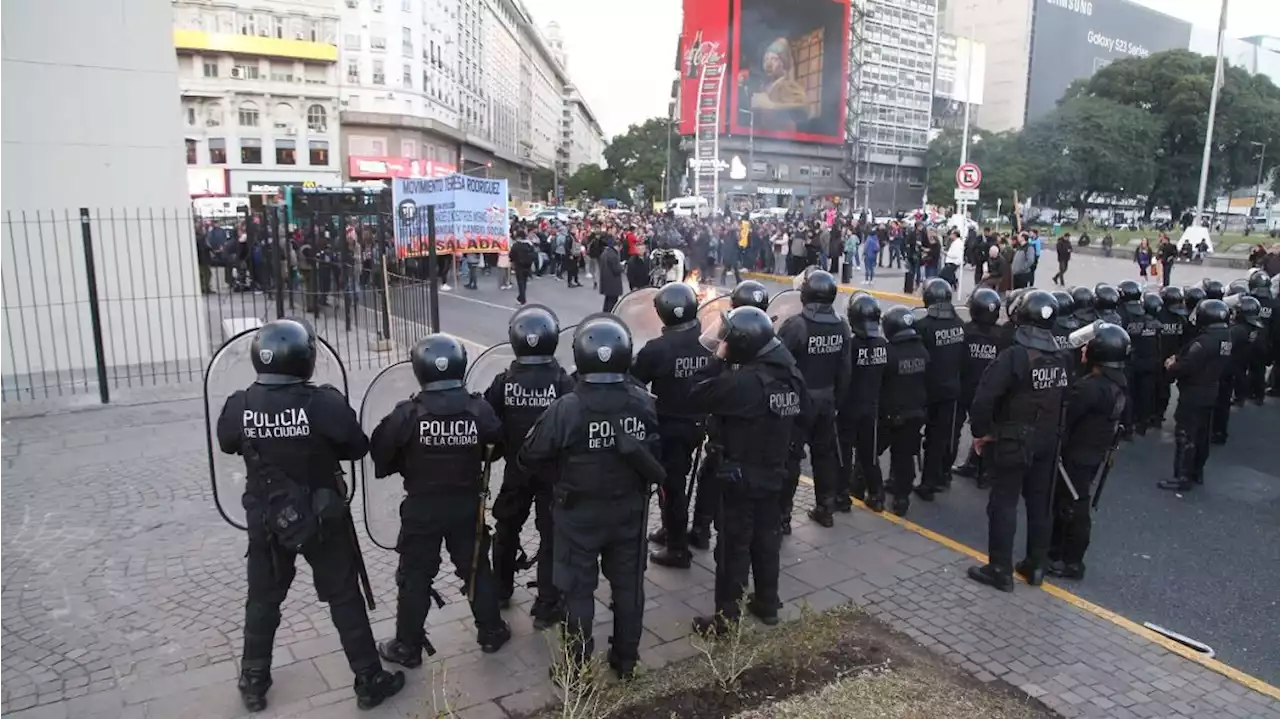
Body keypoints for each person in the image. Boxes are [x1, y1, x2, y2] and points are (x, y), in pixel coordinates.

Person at [215, 319, 404, 712]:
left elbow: (227, 441)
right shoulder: (322, 402)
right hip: (322, 518)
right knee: (343, 596)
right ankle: (369, 678)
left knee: (263, 598)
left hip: (267, 517)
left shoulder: (240, 403)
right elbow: (356, 447)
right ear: (306, 359)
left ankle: (253, 680)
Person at [517, 314, 661, 679]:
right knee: (629, 586)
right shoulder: (642, 402)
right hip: (629, 510)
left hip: (578, 514)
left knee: (577, 592)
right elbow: (656, 451)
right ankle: (626, 659)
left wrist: (558, 477)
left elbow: (529, 455)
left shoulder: (567, 408)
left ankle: (576, 669)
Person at [370, 335, 511, 668]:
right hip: (465, 504)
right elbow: (498, 447)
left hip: (422, 506)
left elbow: (381, 454)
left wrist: (409, 461)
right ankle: (490, 632)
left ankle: (407, 647)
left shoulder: (408, 413)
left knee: (415, 575)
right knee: (476, 568)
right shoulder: (479, 409)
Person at [690, 306, 808, 633]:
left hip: (740, 476)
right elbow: (805, 417)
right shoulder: (790, 374)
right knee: (767, 540)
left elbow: (697, 393)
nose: (723, 343)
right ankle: (767, 603)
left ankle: (727, 619)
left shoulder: (744, 384)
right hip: (775, 473)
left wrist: (719, 360)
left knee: (733, 548)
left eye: (728, 339)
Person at [966, 290, 1070, 592]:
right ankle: (1036, 566)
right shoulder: (1062, 357)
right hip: (1049, 440)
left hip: (1013, 440)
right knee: (1040, 504)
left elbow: (984, 398)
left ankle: (1000, 569)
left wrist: (982, 431)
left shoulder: (1014, 356)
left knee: (1004, 503)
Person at [482, 306, 576, 629]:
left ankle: (500, 589)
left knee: (507, 528)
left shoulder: (503, 382)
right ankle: (547, 604)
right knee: (551, 534)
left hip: (516, 469)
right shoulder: (563, 381)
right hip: (553, 473)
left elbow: (488, 425)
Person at [687, 279, 774, 549]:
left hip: (728, 428)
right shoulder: (770, 343)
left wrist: (717, 358)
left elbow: (701, 389)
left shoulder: (733, 341)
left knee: (712, 475)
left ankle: (703, 529)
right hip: (759, 435)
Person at [635, 283, 713, 569]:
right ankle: (673, 529)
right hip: (701, 422)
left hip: (669, 428)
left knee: (672, 488)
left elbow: (633, 381)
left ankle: (677, 548)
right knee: (680, 484)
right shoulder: (709, 341)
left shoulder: (657, 349)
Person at [1049, 322, 1129, 581]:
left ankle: (1072, 562)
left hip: (1077, 454)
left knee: (1074, 506)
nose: (1083, 349)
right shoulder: (1117, 381)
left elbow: (1066, 418)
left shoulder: (1091, 387)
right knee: (1071, 503)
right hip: (1094, 451)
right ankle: (1058, 551)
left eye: (1088, 345)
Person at [777, 270, 850, 529]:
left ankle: (783, 516)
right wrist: (836, 402)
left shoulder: (796, 325)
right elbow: (844, 370)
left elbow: (779, 365)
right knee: (824, 456)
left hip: (798, 403)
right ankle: (825, 508)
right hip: (827, 401)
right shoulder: (842, 325)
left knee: (790, 458)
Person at [1158, 299, 1232, 492]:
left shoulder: (1204, 342)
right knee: (1202, 434)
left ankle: (1182, 476)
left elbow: (1186, 366)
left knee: (1186, 434)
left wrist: (1171, 365)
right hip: (1211, 389)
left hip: (1194, 393)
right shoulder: (1226, 336)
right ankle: (1197, 472)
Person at [914, 279, 966, 499]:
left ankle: (901, 481)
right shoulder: (960, 325)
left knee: (910, 437)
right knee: (939, 439)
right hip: (950, 390)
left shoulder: (923, 326)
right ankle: (932, 481)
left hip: (925, 392)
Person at [951, 288, 1008, 489]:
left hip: (965, 388)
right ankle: (981, 470)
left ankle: (946, 469)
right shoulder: (1003, 335)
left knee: (955, 429)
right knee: (985, 431)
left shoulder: (965, 331)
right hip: (989, 391)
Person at [877, 306, 930, 517]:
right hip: (915, 414)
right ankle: (901, 498)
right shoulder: (922, 351)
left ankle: (866, 488)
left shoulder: (889, 353)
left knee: (870, 452)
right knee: (905, 457)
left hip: (890, 415)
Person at [837, 293, 888, 511]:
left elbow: (842, 376)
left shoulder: (850, 345)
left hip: (849, 407)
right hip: (871, 407)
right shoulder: (883, 345)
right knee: (869, 455)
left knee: (844, 454)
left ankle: (842, 496)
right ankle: (877, 495)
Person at [1211, 294, 1260, 444]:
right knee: (1223, 402)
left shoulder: (1237, 330)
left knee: (1219, 402)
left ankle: (1217, 432)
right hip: (1237, 367)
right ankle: (1219, 431)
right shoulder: (1253, 328)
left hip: (1226, 368)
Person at [1153, 285, 1189, 427]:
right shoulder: (1180, 318)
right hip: (1168, 358)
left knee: (1159, 388)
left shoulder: (1165, 316)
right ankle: (1158, 415)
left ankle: (1156, 415)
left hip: (1164, 358)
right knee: (1162, 388)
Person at [1130, 293, 1165, 434]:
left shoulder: (1137, 325)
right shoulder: (1159, 326)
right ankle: (1144, 422)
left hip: (1137, 363)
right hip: (1153, 364)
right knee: (1147, 394)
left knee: (1134, 393)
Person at [1245, 271, 1275, 404]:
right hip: (1265, 342)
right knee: (1259, 369)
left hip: (1247, 340)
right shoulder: (1274, 304)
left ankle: (1245, 393)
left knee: (1243, 368)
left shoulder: (1247, 300)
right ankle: (1258, 394)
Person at [509, 230, 537, 305]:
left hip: (519, 265)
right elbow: (534, 254)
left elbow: (511, 255)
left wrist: (512, 261)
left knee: (520, 282)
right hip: (528, 265)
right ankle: (520, 297)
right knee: (524, 281)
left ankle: (522, 299)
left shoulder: (516, 245)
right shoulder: (529, 244)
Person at [598, 236, 625, 312]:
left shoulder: (605, 253)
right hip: (613, 282)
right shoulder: (613, 255)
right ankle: (610, 315)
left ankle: (605, 314)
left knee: (608, 300)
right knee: (612, 302)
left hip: (606, 281)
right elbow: (616, 269)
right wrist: (622, 267)